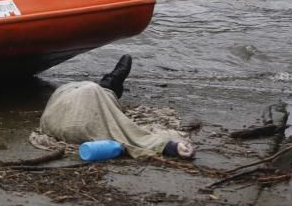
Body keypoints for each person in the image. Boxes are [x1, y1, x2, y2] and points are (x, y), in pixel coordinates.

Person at [39, 55, 195, 159]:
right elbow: (133, 137)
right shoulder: (102, 130)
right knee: (96, 93)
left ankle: (109, 85)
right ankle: (110, 85)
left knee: (92, 91)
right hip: (67, 108)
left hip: (56, 114)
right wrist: (172, 147)